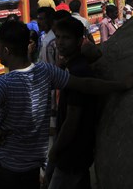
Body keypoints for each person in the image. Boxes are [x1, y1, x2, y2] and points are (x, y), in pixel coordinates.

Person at [0, 20, 133, 189]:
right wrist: (121, 85)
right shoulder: (45, 71)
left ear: (5, 50)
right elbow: (86, 84)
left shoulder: (2, 83)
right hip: (30, 170)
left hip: (4, 170)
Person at [47, 17, 97, 189]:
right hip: (75, 150)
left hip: (71, 151)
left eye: (66, 38)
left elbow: (72, 119)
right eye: (58, 37)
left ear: (79, 41)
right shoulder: (71, 66)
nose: (60, 43)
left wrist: (55, 150)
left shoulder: (78, 72)